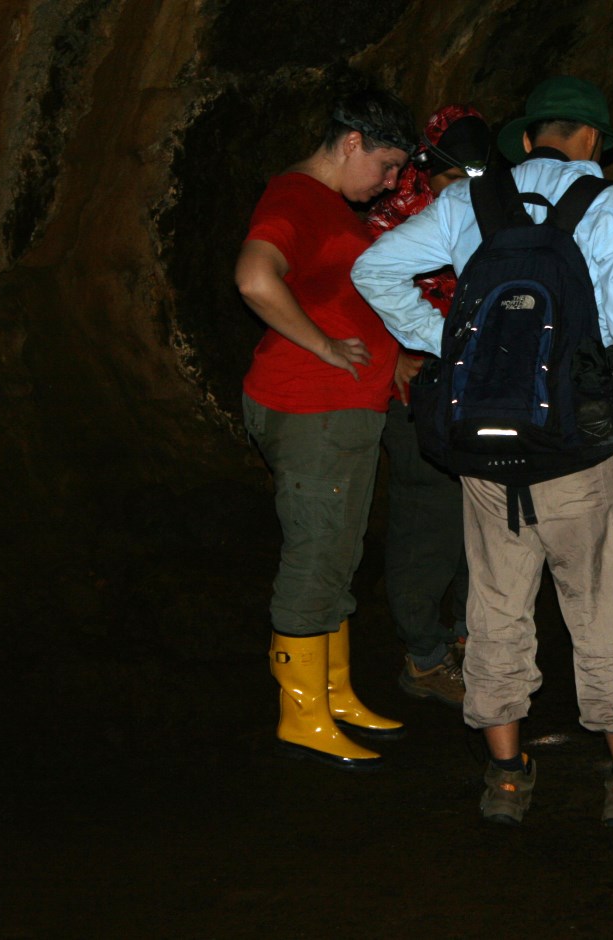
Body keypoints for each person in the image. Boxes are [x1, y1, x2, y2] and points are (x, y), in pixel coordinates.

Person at [352, 76, 613, 826]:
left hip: (488, 455)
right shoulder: (611, 207)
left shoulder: (468, 201)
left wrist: (456, 347)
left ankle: (504, 776)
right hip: (580, 458)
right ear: (595, 142)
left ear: (528, 138)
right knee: (604, 616)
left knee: (495, 615)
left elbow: (374, 270)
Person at [235, 89, 415, 771]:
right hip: (310, 406)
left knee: (338, 552)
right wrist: (324, 345)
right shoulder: (296, 197)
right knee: (316, 553)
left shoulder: (329, 205)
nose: (392, 183)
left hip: (342, 412)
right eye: (388, 165)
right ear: (350, 143)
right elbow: (255, 278)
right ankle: (301, 713)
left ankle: (334, 693)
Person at [364, 105, 493, 709]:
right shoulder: (389, 210)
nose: (457, 189)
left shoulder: (493, 200)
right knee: (428, 525)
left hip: (480, 390)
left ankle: (471, 643)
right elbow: (354, 285)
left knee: (485, 521)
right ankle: (424, 656)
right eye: (447, 176)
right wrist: (390, 358)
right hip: (419, 390)